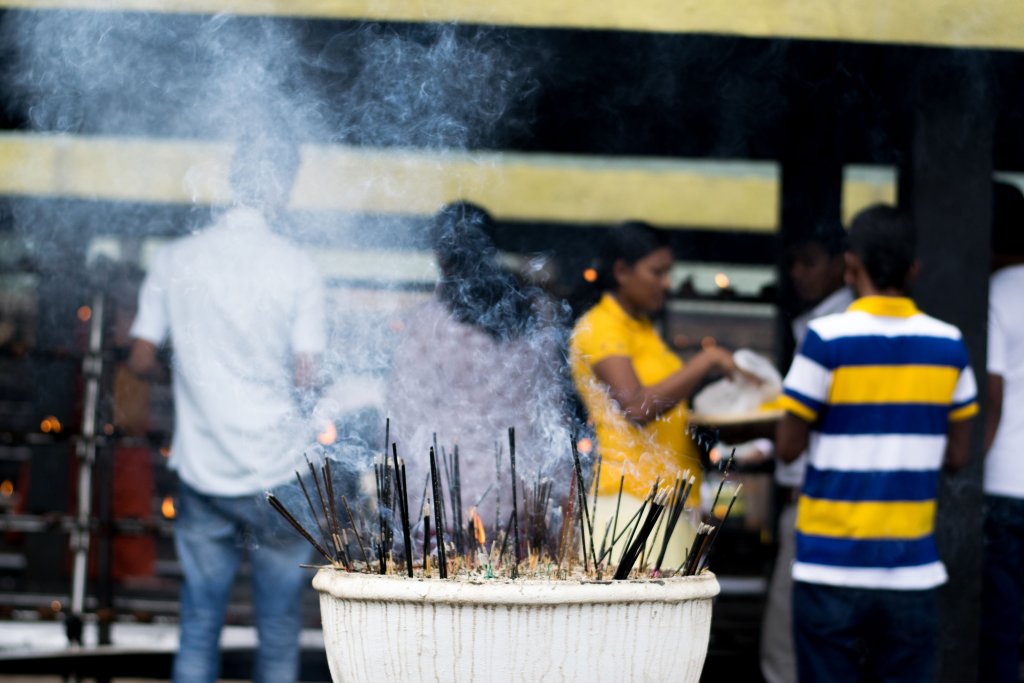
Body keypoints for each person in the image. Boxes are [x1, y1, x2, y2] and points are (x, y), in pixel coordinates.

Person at [128, 137, 326, 683]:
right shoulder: (298, 266)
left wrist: (189, 361)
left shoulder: (177, 259)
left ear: (234, 181)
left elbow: (141, 357)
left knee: (199, 622)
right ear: (281, 186)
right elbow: (306, 375)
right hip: (280, 473)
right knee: (281, 628)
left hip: (204, 468)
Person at [776, 204, 977, 683]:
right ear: (914, 269)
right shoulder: (949, 345)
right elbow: (959, 455)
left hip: (829, 569)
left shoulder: (825, 339)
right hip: (911, 571)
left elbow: (787, 447)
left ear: (850, 266)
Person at [386, 201, 570, 534]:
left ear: (440, 256)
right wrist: (557, 486)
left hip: (442, 490)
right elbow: (552, 408)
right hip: (516, 487)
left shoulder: (425, 325)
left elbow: (403, 417)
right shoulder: (535, 315)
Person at [569, 222, 743, 568]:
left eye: (668, 272)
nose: (666, 282)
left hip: (664, 501)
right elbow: (637, 406)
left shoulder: (643, 329)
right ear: (621, 271)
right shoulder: (602, 325)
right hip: (628, 506)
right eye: (656, 271)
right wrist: (706, 361)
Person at [760, 224, 853, 683]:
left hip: (815, 507)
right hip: (847, 509)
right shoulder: (823, 323)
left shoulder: (830, 331)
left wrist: (769, 441)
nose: (797, 273)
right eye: (793, 262)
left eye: (809, 261)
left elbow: (793, 437)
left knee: (788, 648)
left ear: (845, 265)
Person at [980, 181, 1024, 682]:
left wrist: (962, 472)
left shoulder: (992, 295)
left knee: (998, 630)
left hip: (1002, 484)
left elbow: (992, 399)